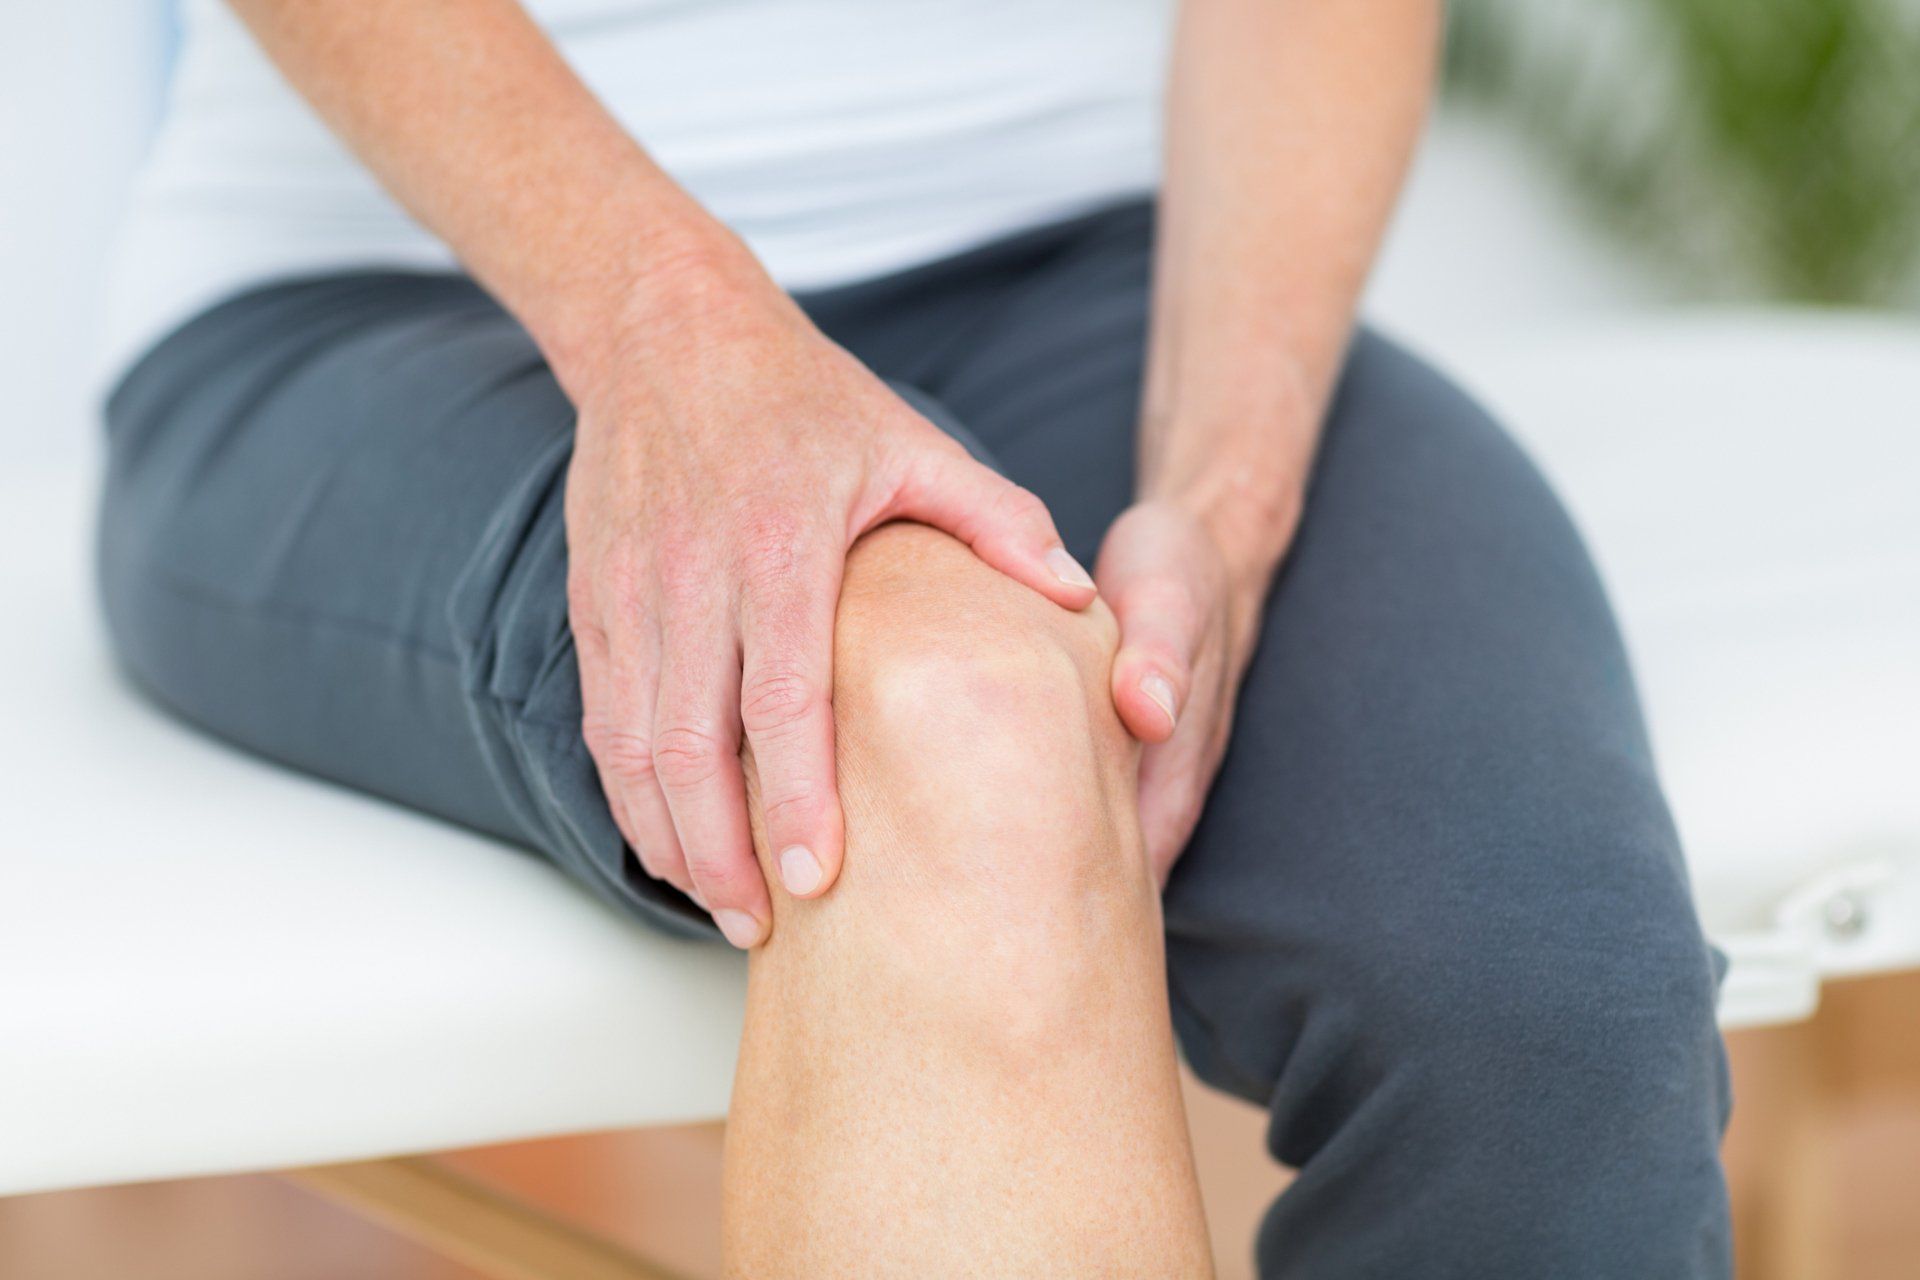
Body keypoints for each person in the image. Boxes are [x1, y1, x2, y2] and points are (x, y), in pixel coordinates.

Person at [96, 0, 1732, 1274]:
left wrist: (1223, 501)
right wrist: (671, 319)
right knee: (950, 727)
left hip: (1101, 268)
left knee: (1539, 1012)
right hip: (414, 288)